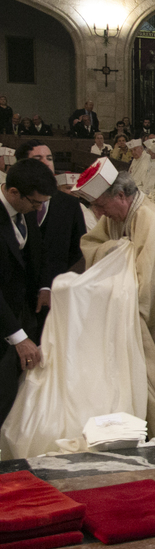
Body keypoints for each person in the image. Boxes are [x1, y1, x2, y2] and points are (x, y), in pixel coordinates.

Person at [77, 162, 155, 440]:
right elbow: (91, 245)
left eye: (100, 204)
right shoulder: (116, 216)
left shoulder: (151, 222)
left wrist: (124, 314)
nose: (98, 213)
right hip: (122, 309)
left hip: (149, 316)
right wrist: (119, 248)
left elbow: (149, 287)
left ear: (121, 196)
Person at [0, 159, 56, 426]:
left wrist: (45, 286)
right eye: (35, 203)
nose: (39, 208)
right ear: (13, 193)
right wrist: (17, 336)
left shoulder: (26, 210)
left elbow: (39, 252)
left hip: (23, 311)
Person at [14, 141, 87, 328]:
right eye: (38, 159)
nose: (46, 163)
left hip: (57, 291)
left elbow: (78, 248)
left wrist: (60, 282)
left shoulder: (69, 204)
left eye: (50, 158)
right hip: (18, 295)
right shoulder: (17, 203)